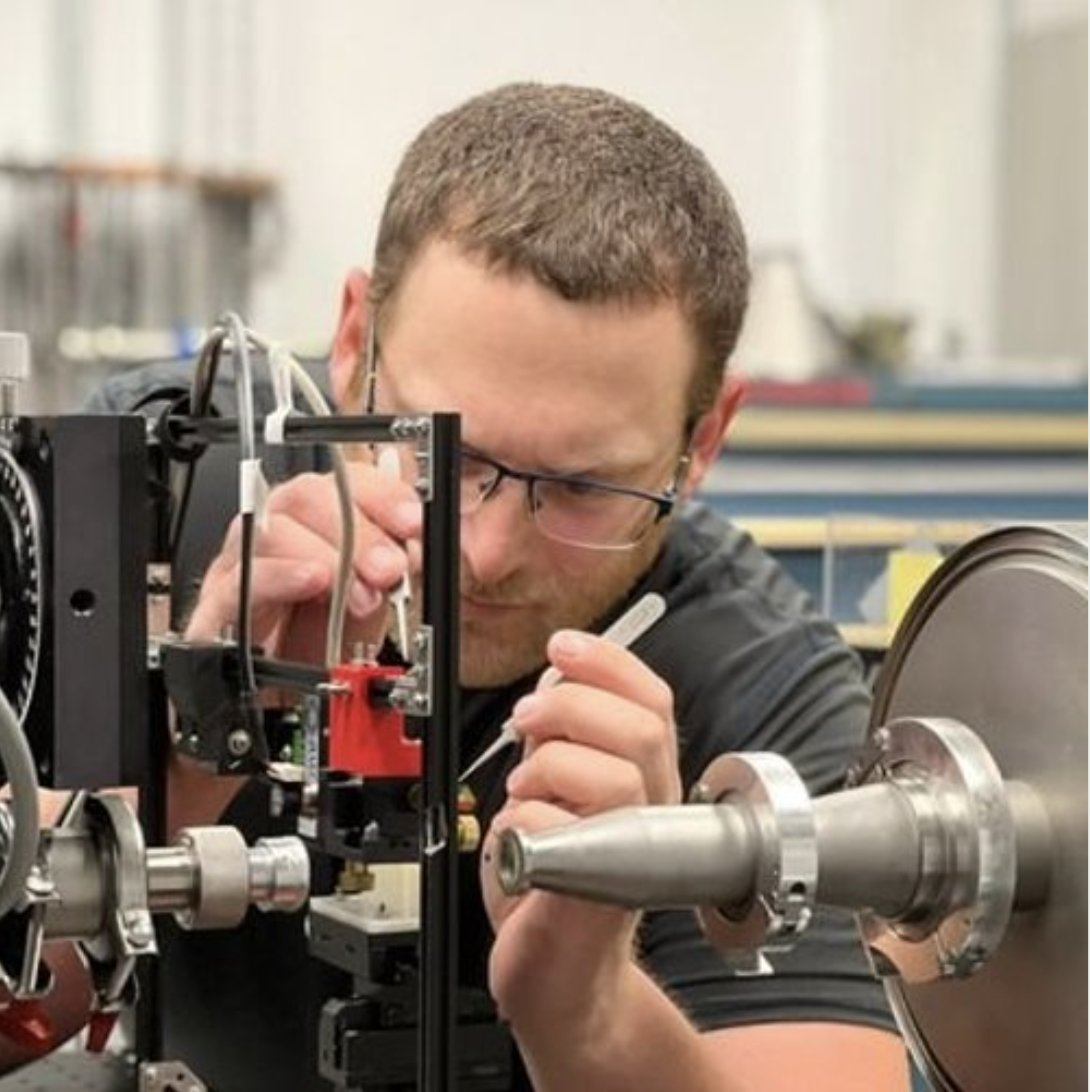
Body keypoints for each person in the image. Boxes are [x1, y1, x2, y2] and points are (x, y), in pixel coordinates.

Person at [168, 82, 908, 1090]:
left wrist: (586, 1006)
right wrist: (180, 763)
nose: (481, 553)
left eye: (576, 486)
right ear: (352, 343)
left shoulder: (761, 691)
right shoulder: (149, 496)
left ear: (702, 441)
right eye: (440, 454)